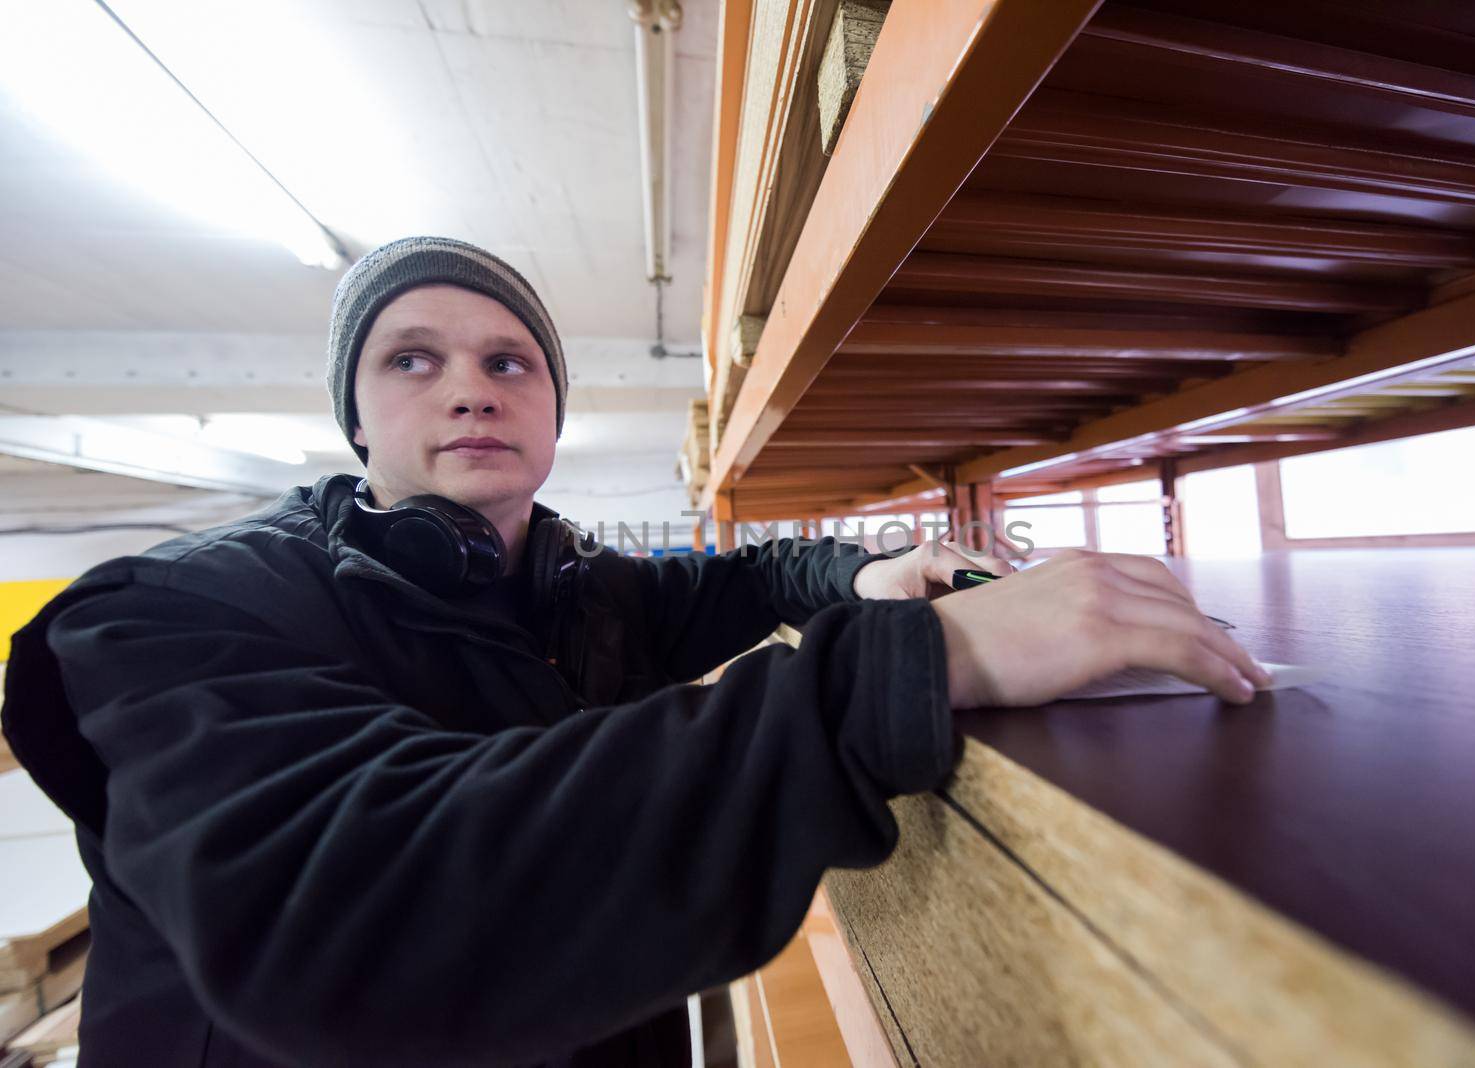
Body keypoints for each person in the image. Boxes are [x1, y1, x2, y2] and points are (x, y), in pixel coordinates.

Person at [0, 237, 1268, 1067]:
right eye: (412, 360)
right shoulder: (175, 613)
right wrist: (916, 663)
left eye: (510, 362)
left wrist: (870, 571)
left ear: (550, 407)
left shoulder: (575, 589)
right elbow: (352, 907)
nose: (470, 388)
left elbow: (748, 575)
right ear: (354, 413)